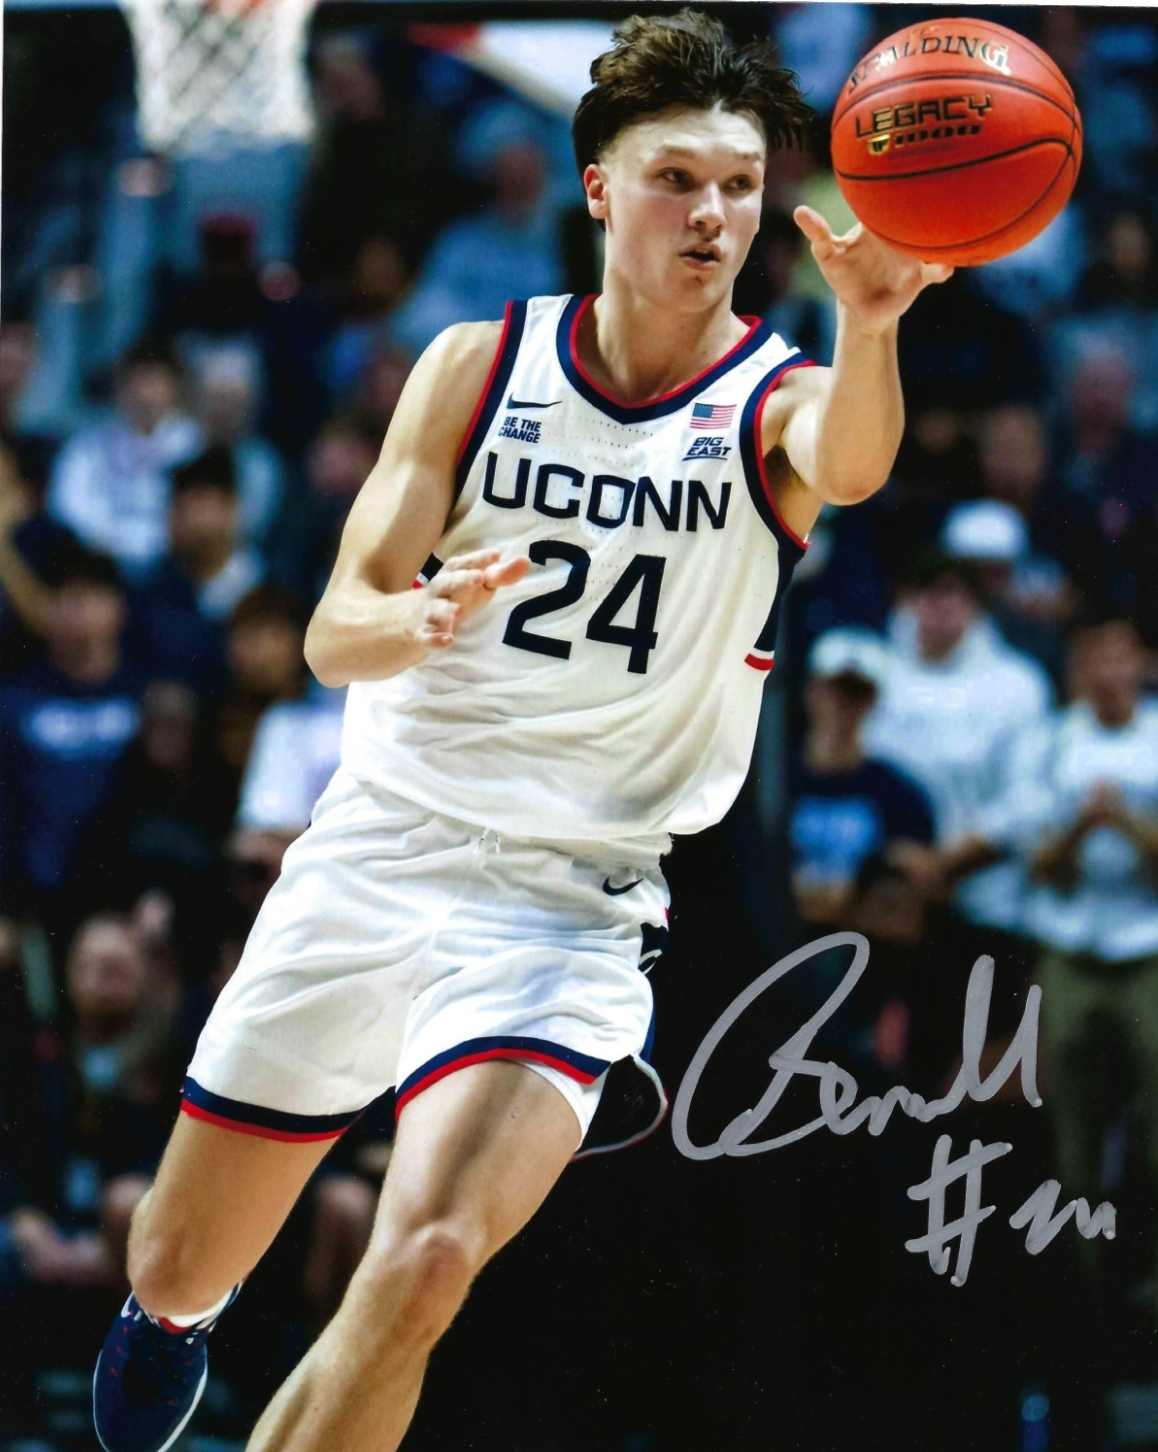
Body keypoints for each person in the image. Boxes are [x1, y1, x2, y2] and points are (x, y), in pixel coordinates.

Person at [91, 12, 951, 1452]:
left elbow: (850, 465)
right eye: (677, 178)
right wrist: (419, 618)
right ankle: (175, 1315)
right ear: (600, 188)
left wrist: (870, 323)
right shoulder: (476, 367)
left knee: (424, 1261)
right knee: (177, 1261)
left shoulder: (776, 401)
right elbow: (332, 630)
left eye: (740, 185)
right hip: (378, 851)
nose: (714, 213)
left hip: (567, 905)